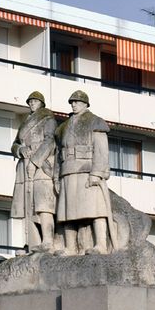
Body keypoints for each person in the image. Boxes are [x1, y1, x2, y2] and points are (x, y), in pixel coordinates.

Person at [55, 90, 114, 255]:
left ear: (86, 104)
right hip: (67, 171)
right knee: (68, 212)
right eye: (72, 102)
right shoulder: (63, 127)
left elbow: (101, 150)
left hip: (87, 170)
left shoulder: (95, 121)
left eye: (77, 102)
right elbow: (58, 154)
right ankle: (70, 247)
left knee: (96, 209)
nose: (74, 105)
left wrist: (97, 172)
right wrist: (56, 177)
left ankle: (101, 244)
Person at [10, 92, 57, 252]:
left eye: (35, 101)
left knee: (44, 204)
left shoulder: (48, 119)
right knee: (27, 206)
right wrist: (20, 149)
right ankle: (31, 244)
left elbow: (50, 141)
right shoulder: (25, 122)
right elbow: (15, 144)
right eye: (30, 101)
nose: (32, 103)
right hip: (24, 164)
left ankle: (48, 240)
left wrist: (36, 162)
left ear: (41, 103)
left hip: (43, 164)